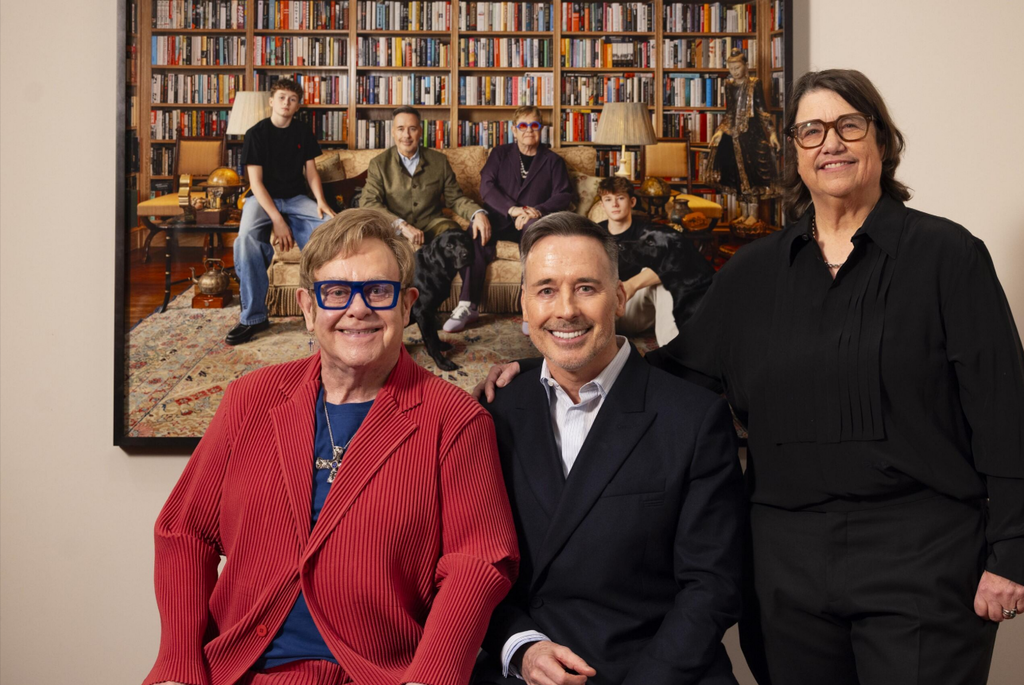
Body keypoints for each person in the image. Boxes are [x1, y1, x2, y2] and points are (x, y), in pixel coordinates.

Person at [478, 70, 1024, 685]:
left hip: (923, 557)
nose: (830, 144)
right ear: (793, 149)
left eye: (849, 125)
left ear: (881, 139)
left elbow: (1004, 410)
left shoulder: (949, 257)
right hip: (785, 568)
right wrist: (550, 366)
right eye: (811, 130)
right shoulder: (755, 271)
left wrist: (1012, 553)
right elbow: (670, 375)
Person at [144, 208, 519, 685]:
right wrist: (178, 666)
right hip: (236, 672)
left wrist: (430, 678)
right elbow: (183, 532)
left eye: (378, 292)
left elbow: (479, 561)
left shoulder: (455, 421)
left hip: (379, 676)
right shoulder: (249, 399)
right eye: (336, 292)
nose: (357, 309)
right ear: (307, 307)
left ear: (407, 306)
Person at [473, 212, 746, 685]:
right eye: (545, 290)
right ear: (524, 305)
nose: (565, 310)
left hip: (657, 672)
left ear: (619, 298)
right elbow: (469, 567)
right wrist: (520, 647)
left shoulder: (694, 418)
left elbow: (713, 586)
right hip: (525, 670)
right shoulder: (493, 414)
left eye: (586, 288)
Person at [443, 106, 571, 333]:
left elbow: (563, 194)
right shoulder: (500, 154)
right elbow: (487, 187)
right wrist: (512, 210)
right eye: (523, 125)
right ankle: (467, 305)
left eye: (534, 125)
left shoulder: (553, 161)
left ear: (541, 129)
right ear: (514, 129)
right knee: (477, 227)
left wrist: (536, 211)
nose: (528, 130)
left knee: (534, 229)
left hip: (532, 220)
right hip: (500, 217)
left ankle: (529, 309)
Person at [229, 78, 335, 345]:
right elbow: (255, 183)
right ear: (271, 101)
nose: (286, 103)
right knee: (245, 242)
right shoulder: (256, 133)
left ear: (297, 105)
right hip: (263, 198)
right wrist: (278, 220)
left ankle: (326, 310)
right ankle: (253, 317)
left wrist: (320, 201)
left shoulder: (302, 132)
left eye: (292, 99)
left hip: (296, 197)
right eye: (281, 97)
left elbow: (310, 171)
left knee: (333, 230)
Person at [360, 105, 491, 249]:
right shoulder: (378, 164)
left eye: (412, 129)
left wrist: (477, 213)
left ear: (420, 132)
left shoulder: (439, 161)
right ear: (393, 132)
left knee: (454, 233)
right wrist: (401, 225)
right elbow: (369, 202)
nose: (406, 135)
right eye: (400, 129)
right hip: (395, 229)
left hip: (431, 225)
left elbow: (455, 198)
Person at [597, 176, 681, 346]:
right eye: (608, 199)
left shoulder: (648, 232)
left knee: (664, 280)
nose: (614, 204)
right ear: (602, 205)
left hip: (635, 309)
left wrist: (632, 286)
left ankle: (674, 353)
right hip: (603, 311)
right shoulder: (593, 234)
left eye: (620, 198)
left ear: (632, 201)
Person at [703, 49, 780, 201]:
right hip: (734, 134)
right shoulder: (728, 84)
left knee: (753, 172)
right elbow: (729, 112)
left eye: (737, 68)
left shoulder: (754, 83)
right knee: (738, 174)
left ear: (746, 65)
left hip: (751, 134)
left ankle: (753, 214)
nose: (734, 72)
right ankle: (744, 214)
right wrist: (720, 131)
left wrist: (772, 132)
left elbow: (762, 110)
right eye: (731, 69)